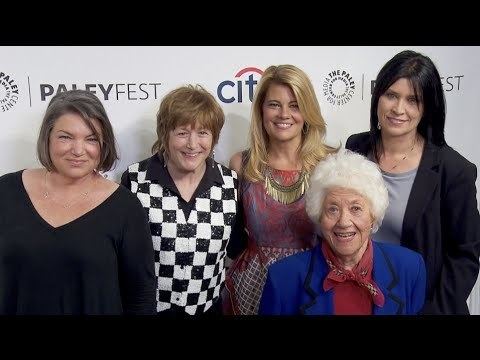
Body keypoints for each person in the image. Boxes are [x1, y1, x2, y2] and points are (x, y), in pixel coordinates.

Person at [346, 50, 480, 314]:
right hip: (360, 297)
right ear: (377, 97)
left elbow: (465, 256)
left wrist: (433, 311)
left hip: (421, 304)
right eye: (391, 95)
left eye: (413, 100)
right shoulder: (356, 147)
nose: (399, 109)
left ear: (427, 107)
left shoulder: (453, 170)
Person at [0, 89, 156, 315]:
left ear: (103, 144)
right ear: (48, 137)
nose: (78, 150)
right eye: (66, 137)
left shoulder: (125, 208)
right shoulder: (6, 191)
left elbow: (141, 299)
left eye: (91, 139)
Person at [223, 64, 337, 315]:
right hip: (253, 285)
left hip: (312, 281)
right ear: (261, 110)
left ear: (307, 111)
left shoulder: (330, 164)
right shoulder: (241, 164)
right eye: (274, 104)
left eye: (294, 105)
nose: (284, 114)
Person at [259, 149, 426, 315]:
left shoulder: (410, 268)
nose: (344, 222)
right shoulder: (283, 278)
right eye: (333, 209)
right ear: (320, 216)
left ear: (373, 216)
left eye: (356, 208)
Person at [121, 84, 239, 316]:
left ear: (214, 138)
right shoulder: (135, 180)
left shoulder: (230, 183)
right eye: (182, 133)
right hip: (150, 310)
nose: (193, 145)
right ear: (165, 134)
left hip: (209, 309)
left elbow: (235, 247)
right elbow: (124, 256)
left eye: (203, 133)